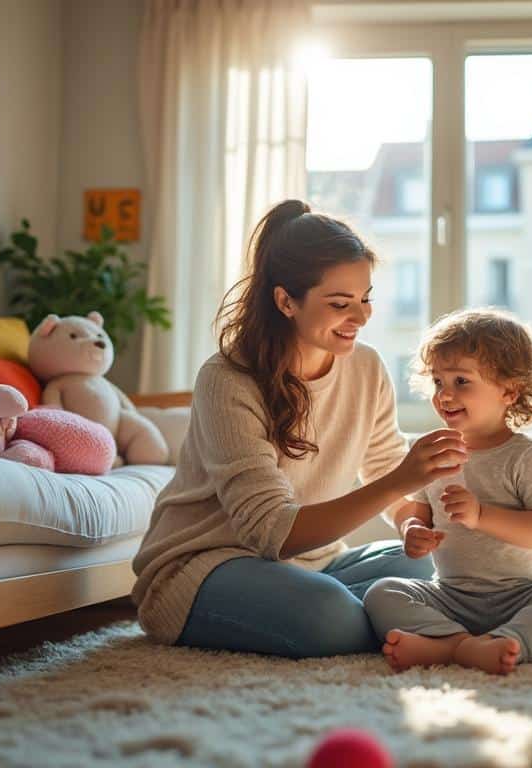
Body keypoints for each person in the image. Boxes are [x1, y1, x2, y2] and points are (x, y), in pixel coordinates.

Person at [131, 199, 468, 657]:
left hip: (312, 566)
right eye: (339, 303)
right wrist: (402, 479)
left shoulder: (366, 368)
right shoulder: (228, 379)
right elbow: (271, 531)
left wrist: (411, 522)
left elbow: (384, 464)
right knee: (331, 617)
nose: (362, 316)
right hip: (205, 568)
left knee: (441, 568)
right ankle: (393, 619)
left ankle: (390, 615)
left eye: (365, 298)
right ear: (286, 300)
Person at [363, 309, 532, 675]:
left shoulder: (524, 455)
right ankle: (463, 646)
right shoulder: (432, 451)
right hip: (451, 596)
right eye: (438, 382)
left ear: (509, 391)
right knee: (382, 593)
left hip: (524, 596)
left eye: (461, 381)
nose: (445, 395)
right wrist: (411, 532)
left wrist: (481, 516)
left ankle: (494, 642)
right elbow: (418, 513)